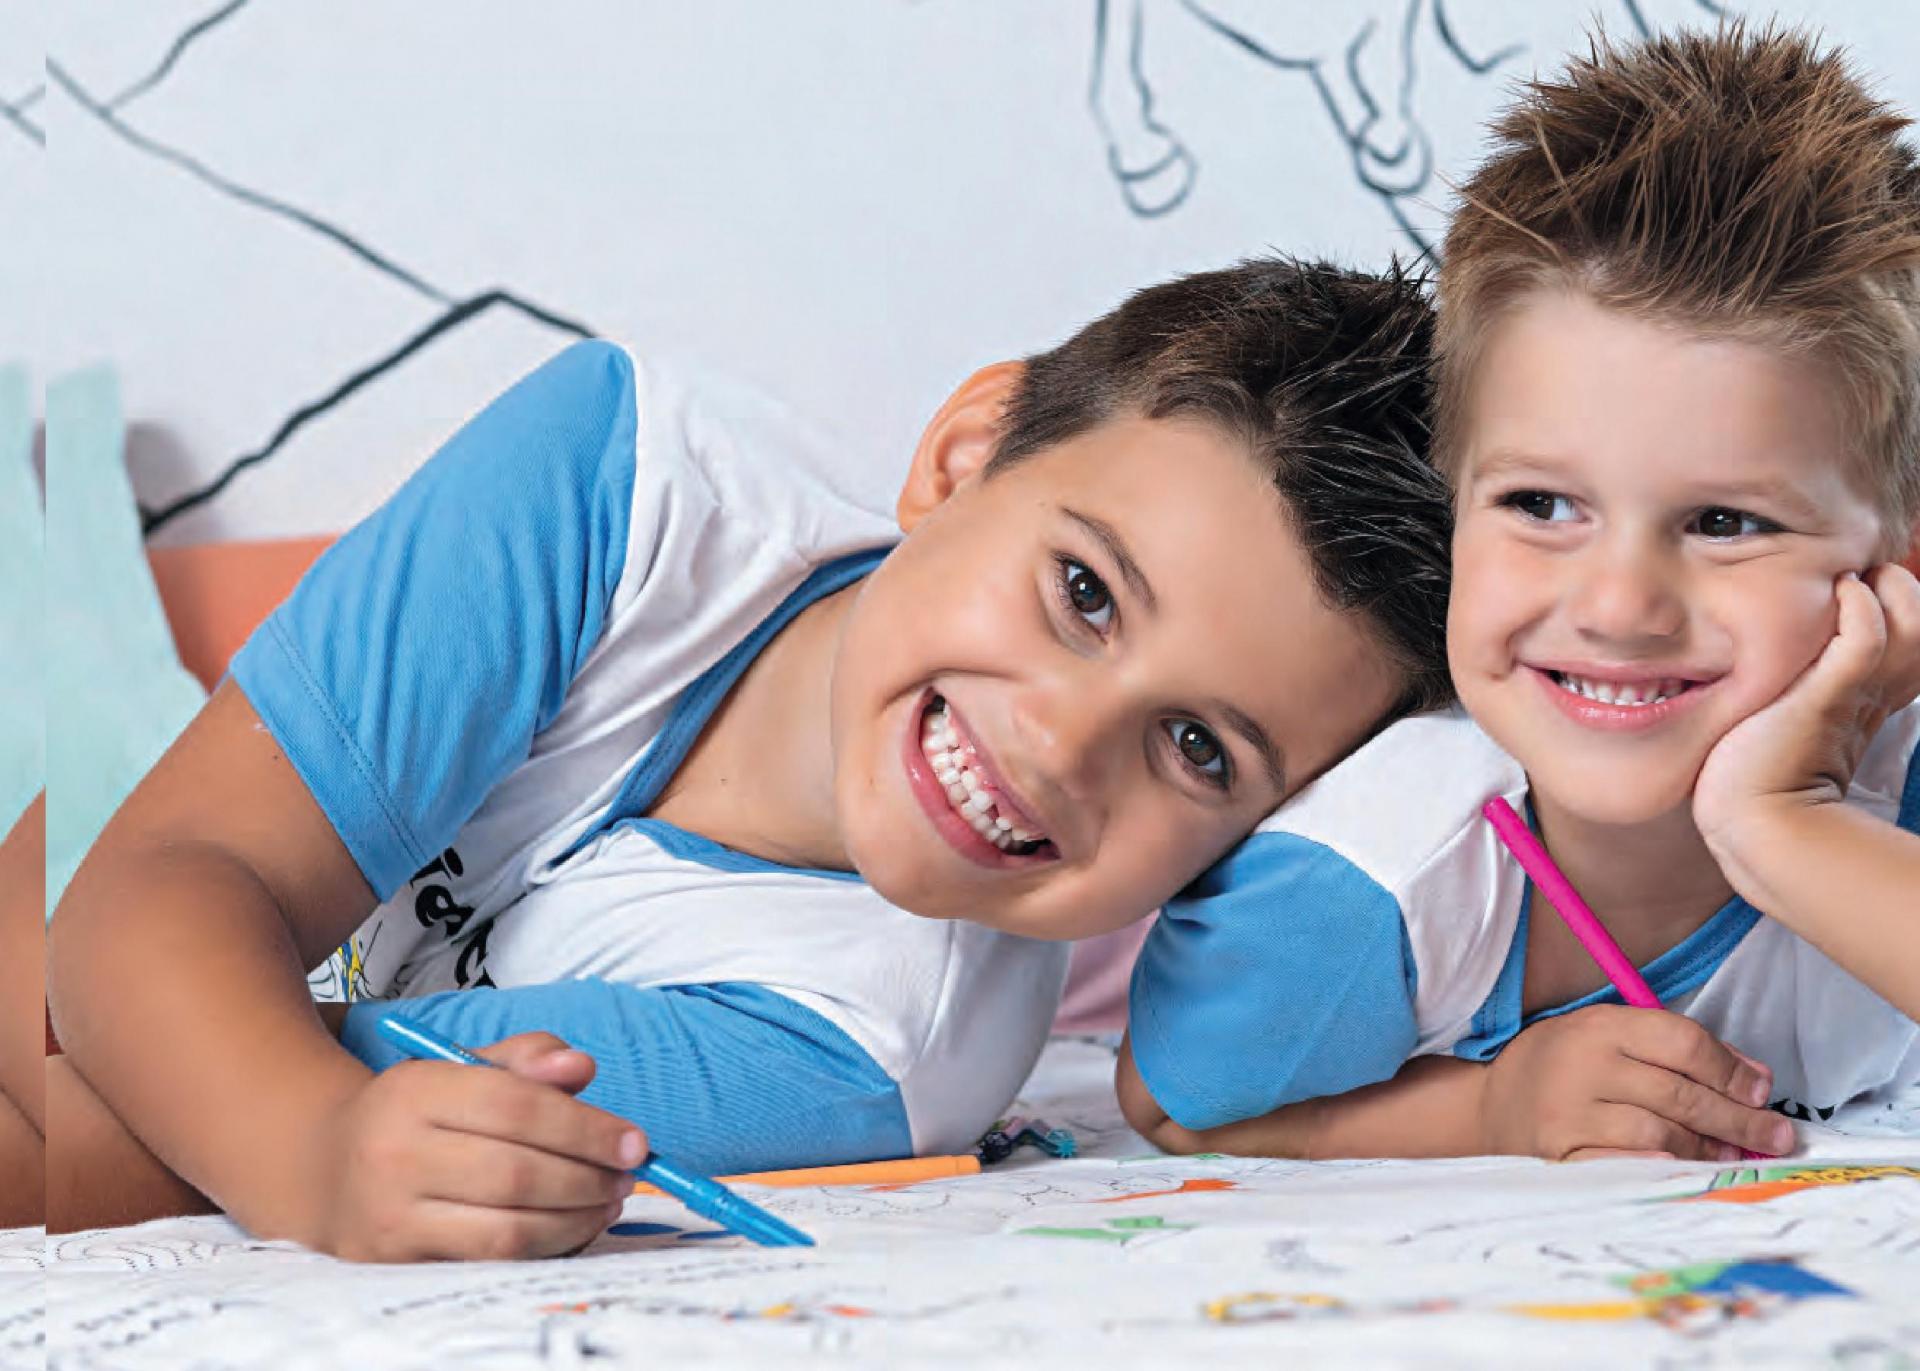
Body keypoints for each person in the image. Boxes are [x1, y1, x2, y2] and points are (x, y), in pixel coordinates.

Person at [47, 256, 1455, 1260]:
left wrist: (292, 1120)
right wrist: (302, 1146)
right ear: (965, 456)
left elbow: (188, 1124)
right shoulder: (630, 477)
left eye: (1199, 748)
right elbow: (141, 904)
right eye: (1083, 592)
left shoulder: (879, 1049)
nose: (1062, 743)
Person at [1118, 25, 1920, 1165]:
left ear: (1897, 566)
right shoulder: (1360, 892)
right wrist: (1488, 1110)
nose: (1619, 607)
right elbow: (1170, 1106)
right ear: (1452, 506)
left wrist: (1783, 826)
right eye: (1542, 505)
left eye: (1725, 523)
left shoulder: (1900, 772)